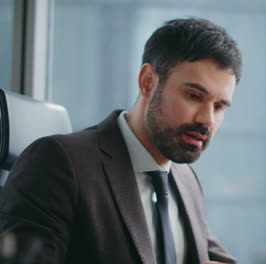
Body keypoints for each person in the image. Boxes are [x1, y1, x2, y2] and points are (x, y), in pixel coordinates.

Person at [0, 18, 242, 264]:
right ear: (148, 81)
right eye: (193, 95)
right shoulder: (58, 162)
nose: (207, 120)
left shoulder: (185, 179)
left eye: (219, 106)